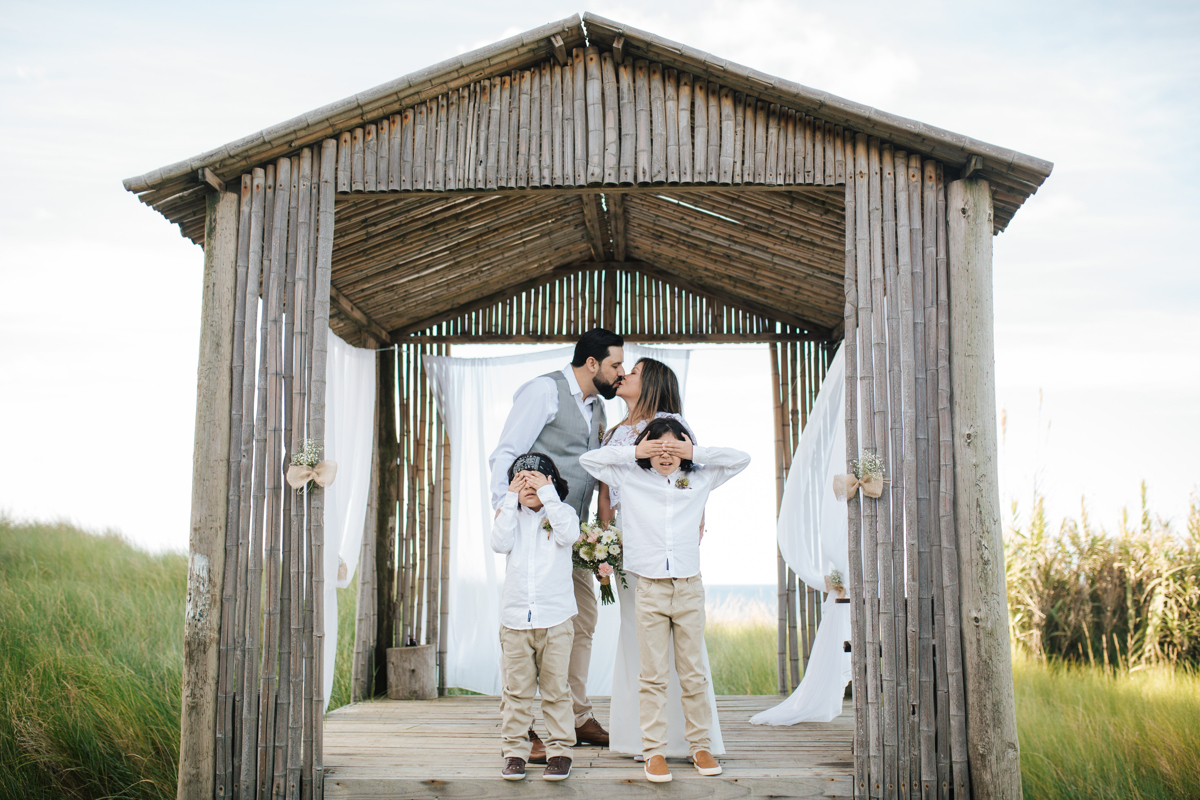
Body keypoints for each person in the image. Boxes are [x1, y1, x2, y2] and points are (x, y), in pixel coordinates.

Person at [580, 418, 750, 783]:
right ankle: (654, 751)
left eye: (674, 448)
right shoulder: (630, 477)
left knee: (694, 674)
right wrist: (635, 451)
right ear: (647, 448)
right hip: (650, 589)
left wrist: (694, 451)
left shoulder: (700, 478)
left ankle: (700, 746)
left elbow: (741, 459)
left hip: (689, 587)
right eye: (659, 447)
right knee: (653, 675)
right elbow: (589, 460)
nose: (666, 454)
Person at [488, 328, 624, 761]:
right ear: (592, 364)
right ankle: (523, 727)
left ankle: (577, 716)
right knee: (526, 630)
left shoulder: (599, 407)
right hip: (533, 531)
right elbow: (505, 453)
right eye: (615, 365)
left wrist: (601, 532)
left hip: (573, 534)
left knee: (580, 623)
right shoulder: (544, 391)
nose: (620, 373)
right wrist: (505, 510)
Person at [595, 358, 724, 762]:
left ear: (651, 382)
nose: (624, 375)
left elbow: (694, 477)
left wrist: (692, 525)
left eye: (633, 372)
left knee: (680, 645)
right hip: (626, 540)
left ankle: (688, 740)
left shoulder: (670, 426)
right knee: (637, 636)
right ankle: (643, 740)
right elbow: (605, 490)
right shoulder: (615, 431)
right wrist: (605, 538)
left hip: (659, 541)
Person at [491, 453, 579, 781]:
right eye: (521, 478)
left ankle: (560, 752)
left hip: (555, 619)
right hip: (516, 621)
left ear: (551, 482)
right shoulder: (508, 515)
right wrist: (509, 498)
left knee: (556, 691)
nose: (528, 484)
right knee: (516, 692)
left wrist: (548, 494)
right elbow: (499, 544)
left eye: (536, 478)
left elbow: (568, 535)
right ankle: (515, 751)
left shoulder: (562, 513)